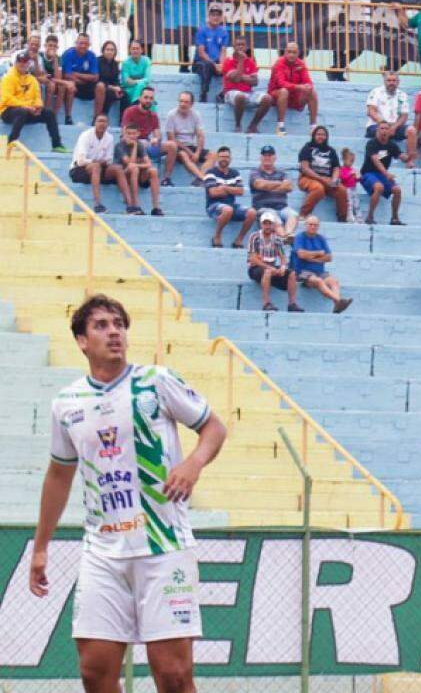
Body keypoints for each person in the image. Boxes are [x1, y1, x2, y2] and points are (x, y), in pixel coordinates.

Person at [31, 295, 228, 693]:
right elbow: (58, 475)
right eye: (101, 325)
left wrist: (193, 464)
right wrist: (40, 547)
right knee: (94, 673)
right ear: (82, 342)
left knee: (173, 675)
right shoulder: (67, 404)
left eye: (119, 323)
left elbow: (214, 428)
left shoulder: (156, 381)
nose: (114, 331)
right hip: (103, 552)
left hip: (163, 547)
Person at [0, 52, 66, 152]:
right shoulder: (8, 78)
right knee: (21, 112)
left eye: (25, 62)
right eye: (20, 61)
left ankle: (56, 145)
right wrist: (26, 107)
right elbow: (7, 98)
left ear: (28, 64)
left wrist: (37, 107)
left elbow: (37, 97)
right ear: (16, 63)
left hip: (28, 111)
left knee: (49, 113)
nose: (23, 64)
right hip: (8, 112)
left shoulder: (32, 79)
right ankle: (11, 142)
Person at [69, 114, 133, 213]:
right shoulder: (85, 135)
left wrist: (104, 162)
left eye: (105, 121)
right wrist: (97, 162)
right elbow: (81, 161)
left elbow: (109, 159)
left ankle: (130, 205)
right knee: (96, 166)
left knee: (118, 168)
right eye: (99, 121)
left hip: (99, 169)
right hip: (78, 170)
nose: (102, 124)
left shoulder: (109, 138)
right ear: (95, 123)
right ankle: (97, 204)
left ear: (108, 124)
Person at [292, 215, 353, 313]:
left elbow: (329, 257)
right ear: (305, 225)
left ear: (318, 226)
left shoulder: (321, 238)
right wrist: (318, 253)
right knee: (319, 281)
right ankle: (338, 301)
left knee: (334, 281)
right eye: (310, 224)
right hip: (304, 273)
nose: (313, 227)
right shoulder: (299, 237)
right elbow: (301, 255)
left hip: (320, 272)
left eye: (315, 225)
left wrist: (313, 258)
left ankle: (337, 305)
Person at [248, 210, 302, 311]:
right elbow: (253, 258)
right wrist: (269, 267)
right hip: (255, 268)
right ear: (261, 224)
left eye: (270, 223)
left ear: (273, 225)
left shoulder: (277, 239)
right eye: (265, 223)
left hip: (271, 267)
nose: (267, 226)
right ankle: (266, 303)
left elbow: (282, 258)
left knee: (292, 273)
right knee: (268, 271)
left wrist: (282, 267)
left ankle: (292, 304)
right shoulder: (255, 237)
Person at [205, 146, 257, 249]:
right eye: (222, 156)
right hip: (213, 206)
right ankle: (217, 236)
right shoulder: (210, 173)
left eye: (227, 156)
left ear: (230, 159)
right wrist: (232, 190)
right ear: (217, 158)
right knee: (228, 210)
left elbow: (241, 191)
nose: (224, 158)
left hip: (231, 205)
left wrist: (224, 188)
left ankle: (239, 240)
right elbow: (213, 193)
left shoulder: (235, 173)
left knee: (252, 212)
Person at [221, 35, 273, 133]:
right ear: (234, 47)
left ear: (246, 47)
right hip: (231, 93)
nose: (240, 47)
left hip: (248, 92)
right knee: (240, 96)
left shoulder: (250, 62)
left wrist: (241, 76)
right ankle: (238, 125)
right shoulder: (228, 61)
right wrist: (241, 62)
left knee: (267, 99)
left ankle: (252, 126)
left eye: (243, 45)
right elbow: (236, 80)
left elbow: (255, 82)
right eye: (238, 45)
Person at [297, 125, 348, 222]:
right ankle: (303, 214)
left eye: (323, 135)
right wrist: (321, 179)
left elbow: (336, 168)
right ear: (314, 136)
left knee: (342, 190)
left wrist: (334, 180)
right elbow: (305, 168)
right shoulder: (307, 147)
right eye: (318, 134)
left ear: (327, 137)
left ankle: (342, 218)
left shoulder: (331, 151)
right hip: (307, 178)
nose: (321, 136)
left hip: (326, 179)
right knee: (318, 189)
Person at [268, 42, 319, 136]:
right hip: (276, 97)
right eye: (289, 51)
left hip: (294, 98)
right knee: (284, 91)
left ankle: (313, 127)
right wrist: (299, 87)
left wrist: (307, 87)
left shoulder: (301, 64)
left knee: (312, 92)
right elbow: (281, 83)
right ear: (285, 52)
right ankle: (280, 126)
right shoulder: (279, 63)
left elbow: (308, 81)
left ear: (298, 53)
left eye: (294, 52)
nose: (291, 54)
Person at [249, 145, 300, 237]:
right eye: (265, 155)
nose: (267, 157)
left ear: (275, 157)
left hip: (282, 207)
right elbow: (260, 184)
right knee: (274, 218)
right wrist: (279, 184)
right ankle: (284, 237)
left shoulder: (282, 173)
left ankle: (288, 236)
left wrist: (268, 186)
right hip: (263, 208)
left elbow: (289, 187)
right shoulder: (255, 172)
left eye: (270, 155)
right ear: (261, 158)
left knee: (294, 215)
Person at [360, 122, 405, 225]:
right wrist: (387, 174)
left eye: (386, 129)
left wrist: (409, 157)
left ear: (390, 132)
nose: (384, 131)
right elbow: (376, 160)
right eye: (381, 128)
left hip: (381, 175)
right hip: (368, 173)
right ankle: (370, 217)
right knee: (379, 187)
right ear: (377, 131)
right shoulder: (371, 143)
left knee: (397, 190)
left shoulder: (392, 145)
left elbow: (401, 156)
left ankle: (394, 218)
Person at [115, 122, 164, 217]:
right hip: (124, 175)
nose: (131, 136)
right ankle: (136, 205)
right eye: (129, 133)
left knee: (153, 171)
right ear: (125, 134)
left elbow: (148, 163)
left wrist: (136, 147)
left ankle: (156, 207)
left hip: (137, 173)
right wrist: (134, 147)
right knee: (134, 169)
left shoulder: (139, 144)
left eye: (133, 134)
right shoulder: (119, 146)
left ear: (138, 134)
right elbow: (130, 163)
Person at [163, 91, 209, 186]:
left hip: (191, 146)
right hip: (178, 148)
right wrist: (189, 152)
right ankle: (203, 178)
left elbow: (200, 135)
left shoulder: (196, 115)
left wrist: (197, 153)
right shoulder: (171, 115)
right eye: (181, 101)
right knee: (184, 155)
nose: (182, 104)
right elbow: (171, 138)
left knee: (213, 155)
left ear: (191, 104)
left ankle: (199, 178)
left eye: (186, 102)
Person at [61, 34, 105, 124]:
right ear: (76, 43)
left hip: (87, 85)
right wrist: (85, 78)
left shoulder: (91, 55)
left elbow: (95, 76)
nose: (83, 46)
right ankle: (68, 117)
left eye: (86, 43)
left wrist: (77, 74)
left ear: (89, 45)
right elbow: (67, 75)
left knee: (101, 86)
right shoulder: (68, 54)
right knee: (70, 85)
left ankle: (96, 118)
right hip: (75, 84)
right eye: (81, 43)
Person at [192, 5, 229, 103]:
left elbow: (223, 51)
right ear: (209, 16)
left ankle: (222, 94)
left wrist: (221, 65)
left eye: (218, 15)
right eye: (213, 15)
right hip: (201, 63)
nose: (215, 17)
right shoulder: (202, 30)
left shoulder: (224, 31)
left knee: (231, 66)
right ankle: (204, 94)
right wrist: (214, 65)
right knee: (207, 65)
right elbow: (201, 53)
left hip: (216, 64)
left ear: (221, 17)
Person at [121, 86, 164, 164]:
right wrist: (138, 142)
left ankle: (167, 176)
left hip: (147, 143)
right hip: (131, 144)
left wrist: (156, 139)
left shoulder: (153, 115)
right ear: (140, 98)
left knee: (172, 146)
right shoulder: (129, 111)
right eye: (146, 97)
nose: (148, 100)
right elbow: (125, 135)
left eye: (151, 98)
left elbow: (158, 135)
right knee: (141, 146)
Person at [365, 70, 410, 139]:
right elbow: (371, 111)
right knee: (383, 130)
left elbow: (404, 115)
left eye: (394, 80)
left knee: (411, 131)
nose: (391, 83)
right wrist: (384, 125)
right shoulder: (376, 92)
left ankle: (411, 150)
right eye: (388, 80)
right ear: (384, 81)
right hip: (377, 125)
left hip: (396, 126)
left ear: (398, 82)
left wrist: (394, 127)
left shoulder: (402, 95)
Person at [42, 35, 73, 122]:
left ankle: (54, 115)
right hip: (43, 81)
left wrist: (55, 59)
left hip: (53, 81)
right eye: (50, 45)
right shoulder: (40, 56)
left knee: (62, 87)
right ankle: (46, 114)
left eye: (54, 46)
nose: (52, 48)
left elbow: (58, 77)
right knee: (51, 85)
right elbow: (42, 75)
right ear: (45, 46)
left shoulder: (58, 59)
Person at [96, 40, 126, 119]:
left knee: (125, 94)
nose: (110, 52)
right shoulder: (98, 61)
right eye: (107, 49)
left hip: (111, 88)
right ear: (103, 51)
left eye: (112, 50)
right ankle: (102, 116)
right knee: (109, 93)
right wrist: (113, 88)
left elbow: (115, 80)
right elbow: (97, 79)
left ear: (115, 52)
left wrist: (118, 89)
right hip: (98, 87)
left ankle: (122, 120)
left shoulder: (115, 64)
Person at [120, 39, 153, 109]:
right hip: (129, 90)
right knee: (143, 88)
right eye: (133, 49)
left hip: (142, 90)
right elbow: (126, 82)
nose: (135, 51)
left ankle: (135, 104)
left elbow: (147, 79)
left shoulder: (147, 61)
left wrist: (135, 81)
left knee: (148, 94)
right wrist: (140, 81)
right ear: (130, 50)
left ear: (142, 50)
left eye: (137, 49)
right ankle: (136, 105)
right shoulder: (125, 63)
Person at [339, 148, 364, 223]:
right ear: (344, 160)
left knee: (356, 203)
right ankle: (349, 217)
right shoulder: (342, 169)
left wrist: (358, 177)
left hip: (353, 189)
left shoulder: (352, 169)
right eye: (350, 161)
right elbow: (343, 178)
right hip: (347, 189)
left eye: (352, 161)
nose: (351, 163)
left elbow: (357, 179)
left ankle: (359, 217)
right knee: (349, 203)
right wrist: (351, 174)